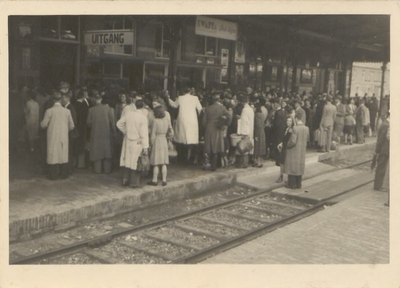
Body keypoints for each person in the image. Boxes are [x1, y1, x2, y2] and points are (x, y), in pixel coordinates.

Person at [40, 91, 74, 180]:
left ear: (52, 100)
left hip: (53, 136)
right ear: (60, 100)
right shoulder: (67, 111)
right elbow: (72, 126)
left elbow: (43, 125)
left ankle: (53, 175)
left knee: (53, 154)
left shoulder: (49, 111)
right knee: (63, 154)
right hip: (63, 136)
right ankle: (64, 174)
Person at [117, 99, 149, 188]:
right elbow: (144, 133)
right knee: (136, 161)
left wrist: (126, 132)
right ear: (142, 107)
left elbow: (119, 123)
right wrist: (145, 147)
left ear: (135, 105)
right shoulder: (143, 117)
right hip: (137, 141)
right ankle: (134, 183)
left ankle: (125, 179)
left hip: (128, 140)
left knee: (127, 160)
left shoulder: (128, 114)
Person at [167, 87, 202, 164]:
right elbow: (200, 108)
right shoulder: (195, 98)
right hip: (192, 120)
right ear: (190, 91)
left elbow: (174, 105)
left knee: (181, 138)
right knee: (191, 139)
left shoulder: (180, 98)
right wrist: (198, 115)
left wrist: (168, 98)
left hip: (183, 119)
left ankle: (180, 157)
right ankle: (188, 157)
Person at [86, 92, 116, 174]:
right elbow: (113, 123)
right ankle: (107, 170)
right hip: (107, 135)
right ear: (101, 99)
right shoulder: (110, 109)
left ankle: (98, 170)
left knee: (97, 153)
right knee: (107, 153)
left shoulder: (91, 110)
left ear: (95, 100)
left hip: (95, 135)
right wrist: (114, 133)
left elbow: (88, 123)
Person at [202, 92, 232, 171]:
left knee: (208, 147)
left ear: (212, 100)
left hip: (209, 128)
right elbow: (229, 116)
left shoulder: (207, 108)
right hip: (218, 129)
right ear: (218, 99)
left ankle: (207, 164)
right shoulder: (222, 108)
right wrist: (225, 124)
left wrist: (206, 127)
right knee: (216, 147)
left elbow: (203, 122)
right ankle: (214, 166)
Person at [147, 106, 173, 186]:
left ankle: (154, 180)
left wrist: (151, 144)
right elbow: (171, 132)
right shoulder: (167, 121)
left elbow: (153, 134)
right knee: (164, 162)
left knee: (156, 162)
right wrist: (168, 138)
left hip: (157, 141)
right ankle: (164, 180)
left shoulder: (155, 121)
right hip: (164, 140)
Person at [284, 114, 309, 189]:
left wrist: (286, 145)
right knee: (299, 168)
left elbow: (293, 141)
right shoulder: (306, 128)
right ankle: (298, 184)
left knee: (292, 168)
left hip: (294, 150)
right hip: (302, 151)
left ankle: (291, 185)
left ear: (296, 119)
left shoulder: (295, 128)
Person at [62, 91, 79, 172]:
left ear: (68, 99)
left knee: (69, 151)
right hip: (69, 133)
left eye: (63, 98)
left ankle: (69, 169)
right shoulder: (67, 107)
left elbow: (73, 122)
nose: (62, 99)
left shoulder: (70, 108)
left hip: (70, 133)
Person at [236, 95, 255, 168]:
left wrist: (243, 133)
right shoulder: (250, 109)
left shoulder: (244, 110)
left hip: (245, 130)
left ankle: (243, 163)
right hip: (250, 130)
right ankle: (246, 163)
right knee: (247, 146)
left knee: (243, 147)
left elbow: (244, 122)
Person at [373, 111, 389, 192]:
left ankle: (379, 185)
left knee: (382, 167)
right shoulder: (386, 125)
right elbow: (381, 139)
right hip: (384, 150)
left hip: (385, 149)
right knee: (381, 167)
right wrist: (377, 151)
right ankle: (378, 186)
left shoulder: (386, 124)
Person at [276, 117, 294, 183]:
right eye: (287, 121)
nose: (288, 122)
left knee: (287, 162)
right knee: (282, 162)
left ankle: (287, 178)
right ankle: (281, 175)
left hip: (288, 147)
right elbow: (283, 138)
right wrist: (281, 143)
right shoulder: (285, 129)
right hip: (284, 147)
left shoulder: (292, 130)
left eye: (289, 121)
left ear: (292, 122)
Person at [253, 102, 267, 168]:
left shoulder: (256, 115)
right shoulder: (262, 114)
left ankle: (258, 163)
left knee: (258, 148)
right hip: (262, 132)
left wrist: (256, 135)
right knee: (261, 148)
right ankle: (260, 162)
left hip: (258, 133)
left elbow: (257, 125)